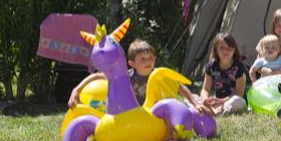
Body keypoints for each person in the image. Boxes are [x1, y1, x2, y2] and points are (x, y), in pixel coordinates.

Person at [67, 39, 204, 112]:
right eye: (142, 59)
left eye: (150, 57)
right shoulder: (126, 77)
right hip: (137, 113)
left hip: (155, 111)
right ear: (132, 63)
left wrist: (194, 102)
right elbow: (98, 76)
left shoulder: (158, 75)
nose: (148, 61)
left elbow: (180, 87)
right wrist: (76, 90)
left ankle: (192, 105)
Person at [200, 33, 248, 116]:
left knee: (236, 101)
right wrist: (205, 98)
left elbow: (239, 93)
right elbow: (205, 89)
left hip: (234, 101)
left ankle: (222, 111)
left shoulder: (240, 67)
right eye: (221, 48)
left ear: (234, 50)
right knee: (196, 98)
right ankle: (217, 110)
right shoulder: (211, 66)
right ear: (216, 49)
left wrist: (220, 101)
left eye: (229, 48)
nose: (225, 51)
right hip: (218, 101)